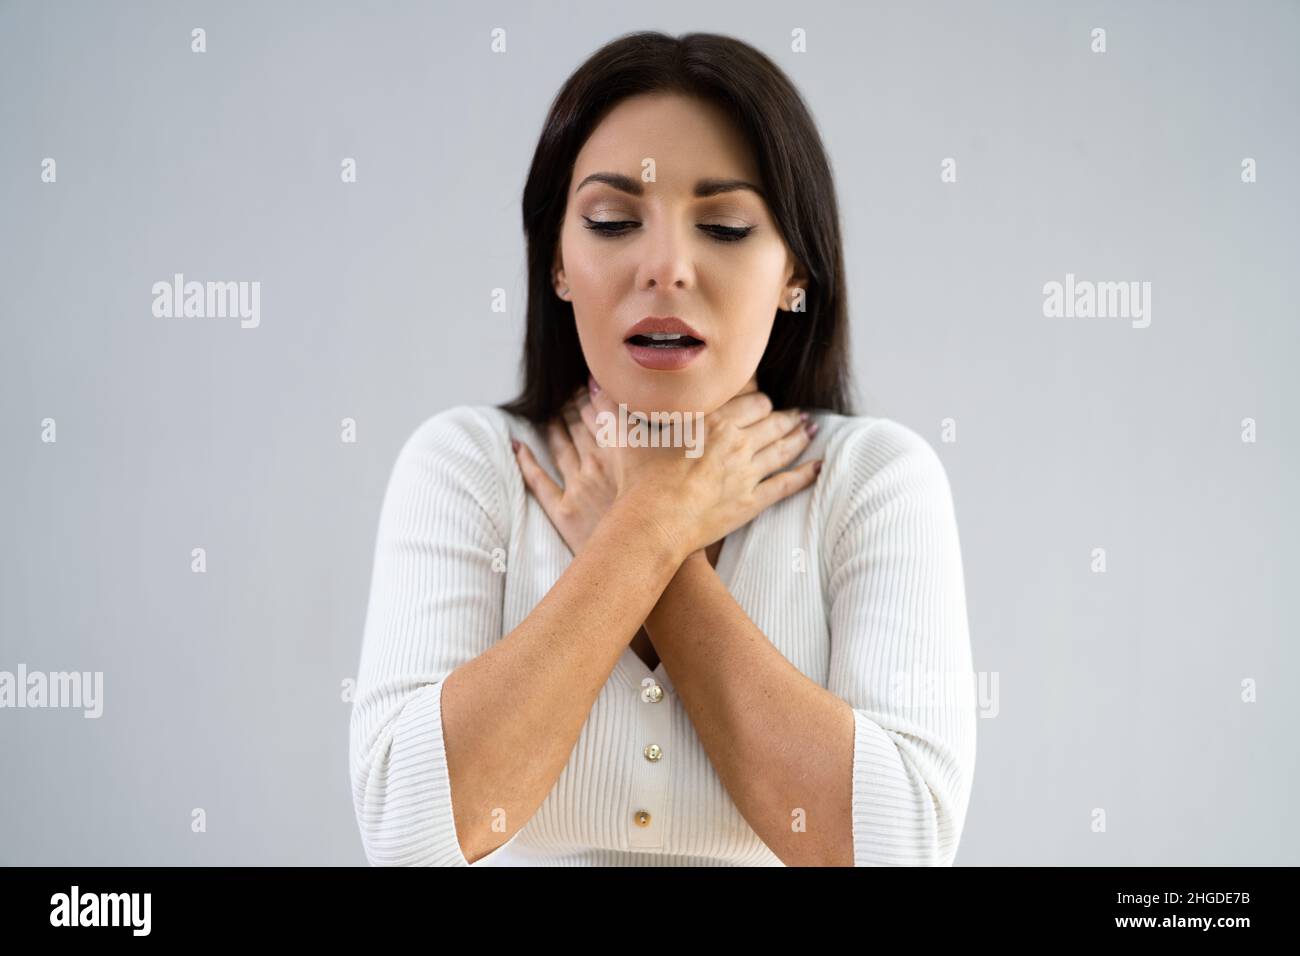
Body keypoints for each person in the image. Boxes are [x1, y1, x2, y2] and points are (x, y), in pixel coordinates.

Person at [349, 30, 975, 866]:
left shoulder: (872, 483)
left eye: (723, 226)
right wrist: (657, 520)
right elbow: (406, 834)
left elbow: (900, 848)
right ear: (558, 263)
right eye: (612, 221)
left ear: (796, 271)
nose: (666, 268)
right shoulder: (468, 467)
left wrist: (647, 536)